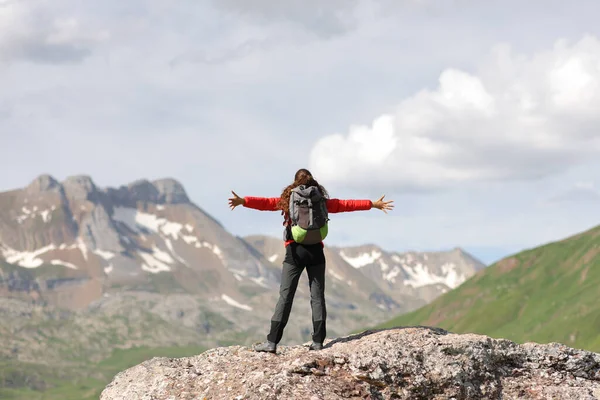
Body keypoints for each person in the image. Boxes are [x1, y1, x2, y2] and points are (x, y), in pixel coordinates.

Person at [228, 168, 394, 353]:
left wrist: (243, 201)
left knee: (286, 296)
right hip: (316, 252)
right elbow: (346, 204)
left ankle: (272, 342)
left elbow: (266, 203)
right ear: (313, 182)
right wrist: (372, 204)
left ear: (295, 183)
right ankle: (317, 342)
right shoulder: (321, 201)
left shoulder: (288, 199)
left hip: (295, 252)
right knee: (317, 297)